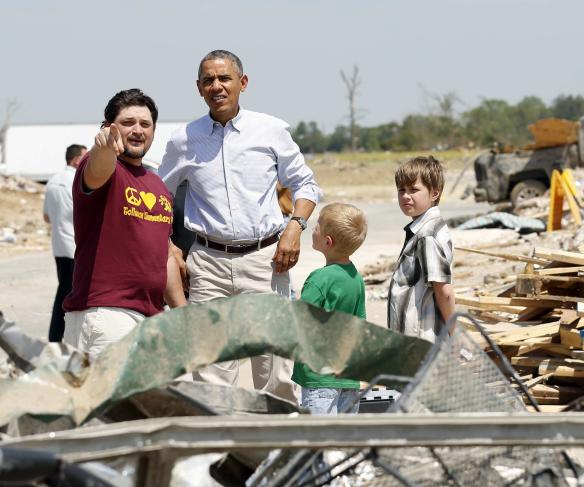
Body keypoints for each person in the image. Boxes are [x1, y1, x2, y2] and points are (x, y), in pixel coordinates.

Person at [159, 49, 320, 400]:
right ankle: (224, 453)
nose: (216, 86)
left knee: (275, 371)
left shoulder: (271, 131)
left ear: (242, 83)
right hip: (208, 265)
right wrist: (169, 244)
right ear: (198, 88)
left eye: (224, 78)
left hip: (266, 261)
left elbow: (306, 185)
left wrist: (294, 227)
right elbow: (159, 196)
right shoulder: (183, 139)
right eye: (208, 81)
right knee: (210, 374)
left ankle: (277, 451)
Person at [62, 89, 183, 358]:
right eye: (128, 123)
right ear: (108, 127)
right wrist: (104, 146)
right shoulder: (102, 169)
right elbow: (99, 167)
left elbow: (163, 255)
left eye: (145, 124)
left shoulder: (158, 186)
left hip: (151, 318)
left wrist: (183, 314)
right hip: (106, 316)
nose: (138, 130)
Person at [292, 203, 368, 414]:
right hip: (348, 376)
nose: (312, 229)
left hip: (319, 377)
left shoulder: (320, 279)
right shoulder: (356, 278)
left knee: (318, 439)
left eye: (316, 226)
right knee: (342, 441)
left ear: (327, 241)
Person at [387, 156, 456, 343]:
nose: (405, 196)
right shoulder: (424, 229)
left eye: (414, 190)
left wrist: (455, 333)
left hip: (420, 337)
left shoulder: (427, 236)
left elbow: (444, 291)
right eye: (401, 190)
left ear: (434, 194)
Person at [43, 143, 86, 342]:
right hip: (75, 246)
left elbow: (46, 217)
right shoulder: (76, 180)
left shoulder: (52, 181)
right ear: (77, 160)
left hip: (58, 245)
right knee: (69, 293)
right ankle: (58, 336)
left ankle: (57, 336)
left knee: (65, 289)